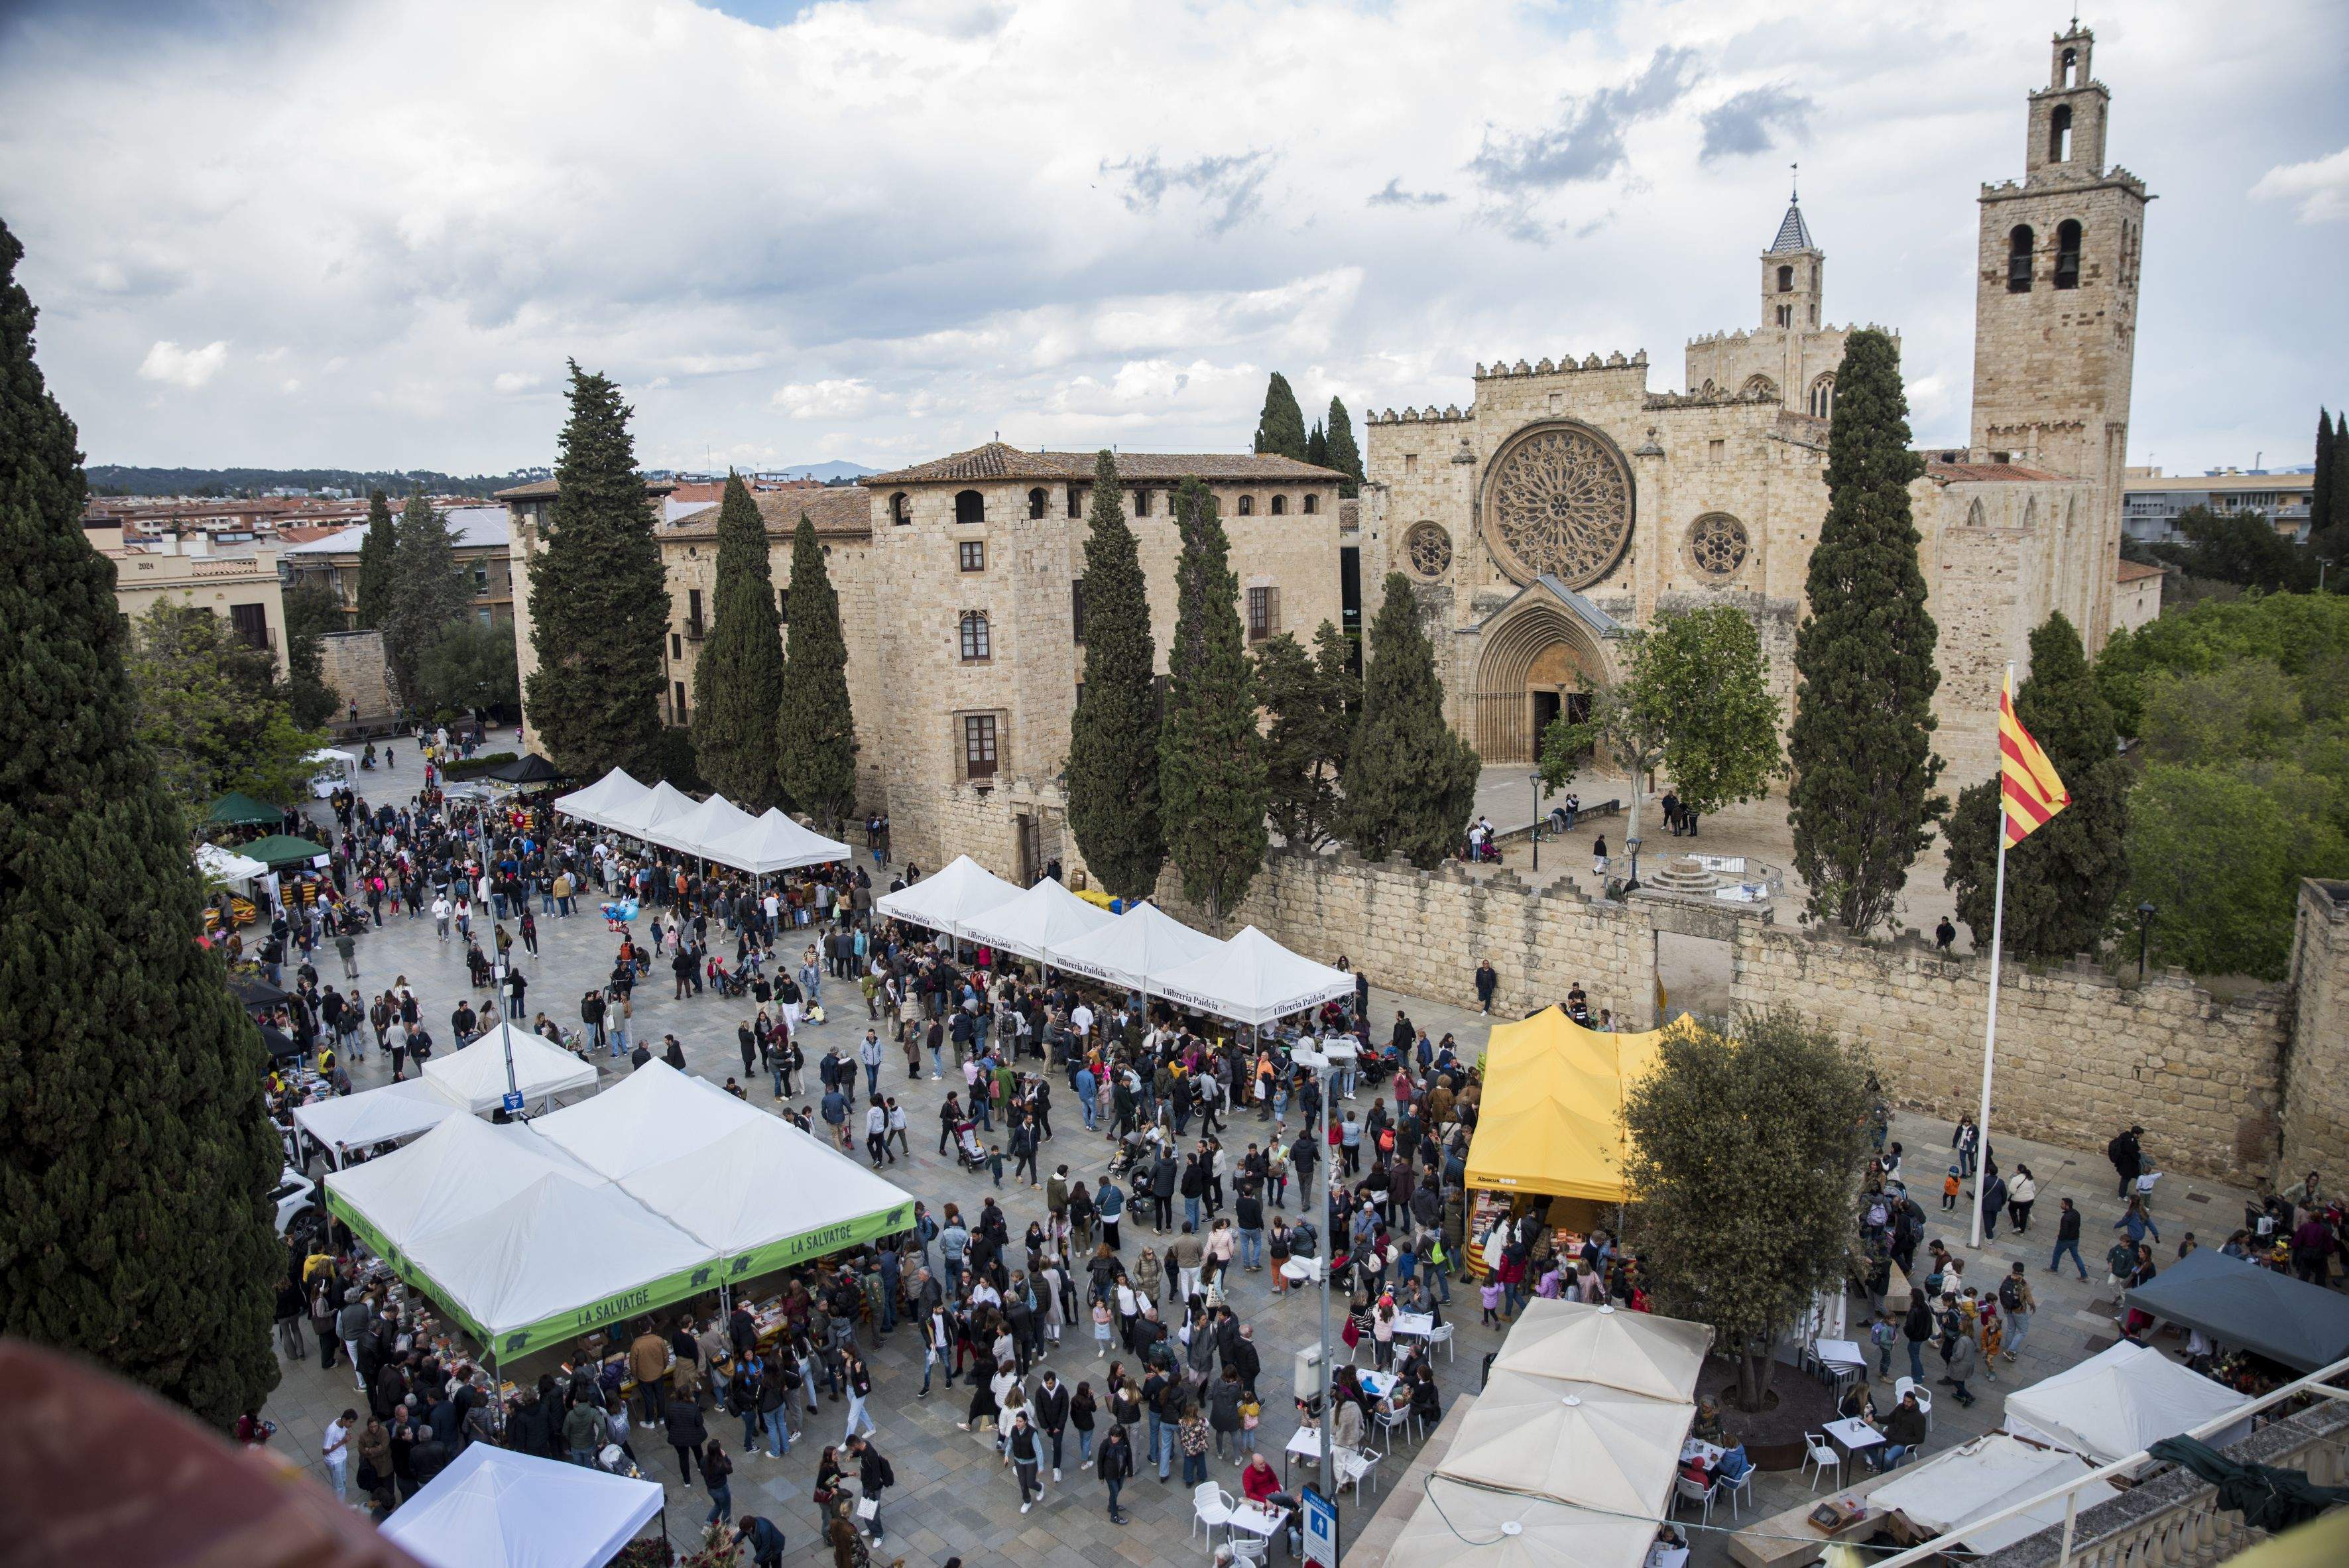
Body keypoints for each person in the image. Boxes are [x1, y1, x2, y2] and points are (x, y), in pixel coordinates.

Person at [1876, 1389, 1928, 1470]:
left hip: (1903, 1444)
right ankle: (1879, 1466)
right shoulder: (1900, 1407)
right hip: (1890, 1437)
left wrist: (1902, 1438)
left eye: (1909, 1402)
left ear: (1914, 1402)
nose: (1906, 1404)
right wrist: (1874, 1418)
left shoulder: (1919, 1418)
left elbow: (1920, 1439)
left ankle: (1888, 1475)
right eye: (1905, 1401)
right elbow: (1890, 1419)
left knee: (1888, 1458)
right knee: (1869, 1443)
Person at [1006, 1411, 1044, 1512]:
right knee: (1023, 1483)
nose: (1018, 1423)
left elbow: (1039, 1450)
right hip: (1018, 1461)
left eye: (1020, 1421)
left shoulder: (1032, 1433)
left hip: (1031, 1462)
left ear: (1026, 1421)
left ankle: (1040, 1487)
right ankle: (1027, 1501)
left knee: (1030, 1483)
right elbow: (1010, 1443)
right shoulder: (1014, 1430)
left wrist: (1040, 1466)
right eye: (1017, 1421)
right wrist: (1006, 1454)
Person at [1097, 1421, 1134, 1526]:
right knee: (1114, 1493)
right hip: (1110, 1474)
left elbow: (1129, 1458)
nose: (1113, 1438)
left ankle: (1111, 1506)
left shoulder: (1125, 1444)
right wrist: (1101, 1476)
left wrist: (1130, 1473)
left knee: (1118, 1490)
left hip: (1121, 1473)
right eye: (1112, 1435)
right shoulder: (1105, 1444)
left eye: (1116, 1436)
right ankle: (1114, 1516)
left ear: (1121, 1436)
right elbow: (1100, 1460)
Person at [2049, 1196, 2088, 1280]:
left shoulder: (2065, 1218)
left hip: (2066, 1240)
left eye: (2062, 1203)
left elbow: (2064, 1231)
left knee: (2057, 1253)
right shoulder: (2076, 1213)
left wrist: (2060, 1238)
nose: (2061, 1205)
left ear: (2067, 1205)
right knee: (2076, 1256)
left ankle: (2054, 1268)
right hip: (2075, 1239)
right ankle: (2084, 1275)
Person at [322, 1409, 355, 1502]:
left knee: (343, 1481)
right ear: (344, 1419)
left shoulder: (343, 1424)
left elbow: (344, 1431)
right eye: (350, 1422)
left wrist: (346, 1434)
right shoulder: (331, 1431)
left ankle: (342, 1503)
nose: (351, 1425)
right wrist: (343, 1442)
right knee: (338, 1487)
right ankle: (340, 1508)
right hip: (334, 1461)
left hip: (341, 1457)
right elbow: (325, 1451)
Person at [703, 1437, 735, 1526]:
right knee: (726, 1508)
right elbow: (730, 1470)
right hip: (721, 1489)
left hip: (710, 1489)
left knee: (718, 1505)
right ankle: (726, 1528)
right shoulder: (720, 1464)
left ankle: (708, 1524)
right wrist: (725, 1457)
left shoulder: (704, 1460)